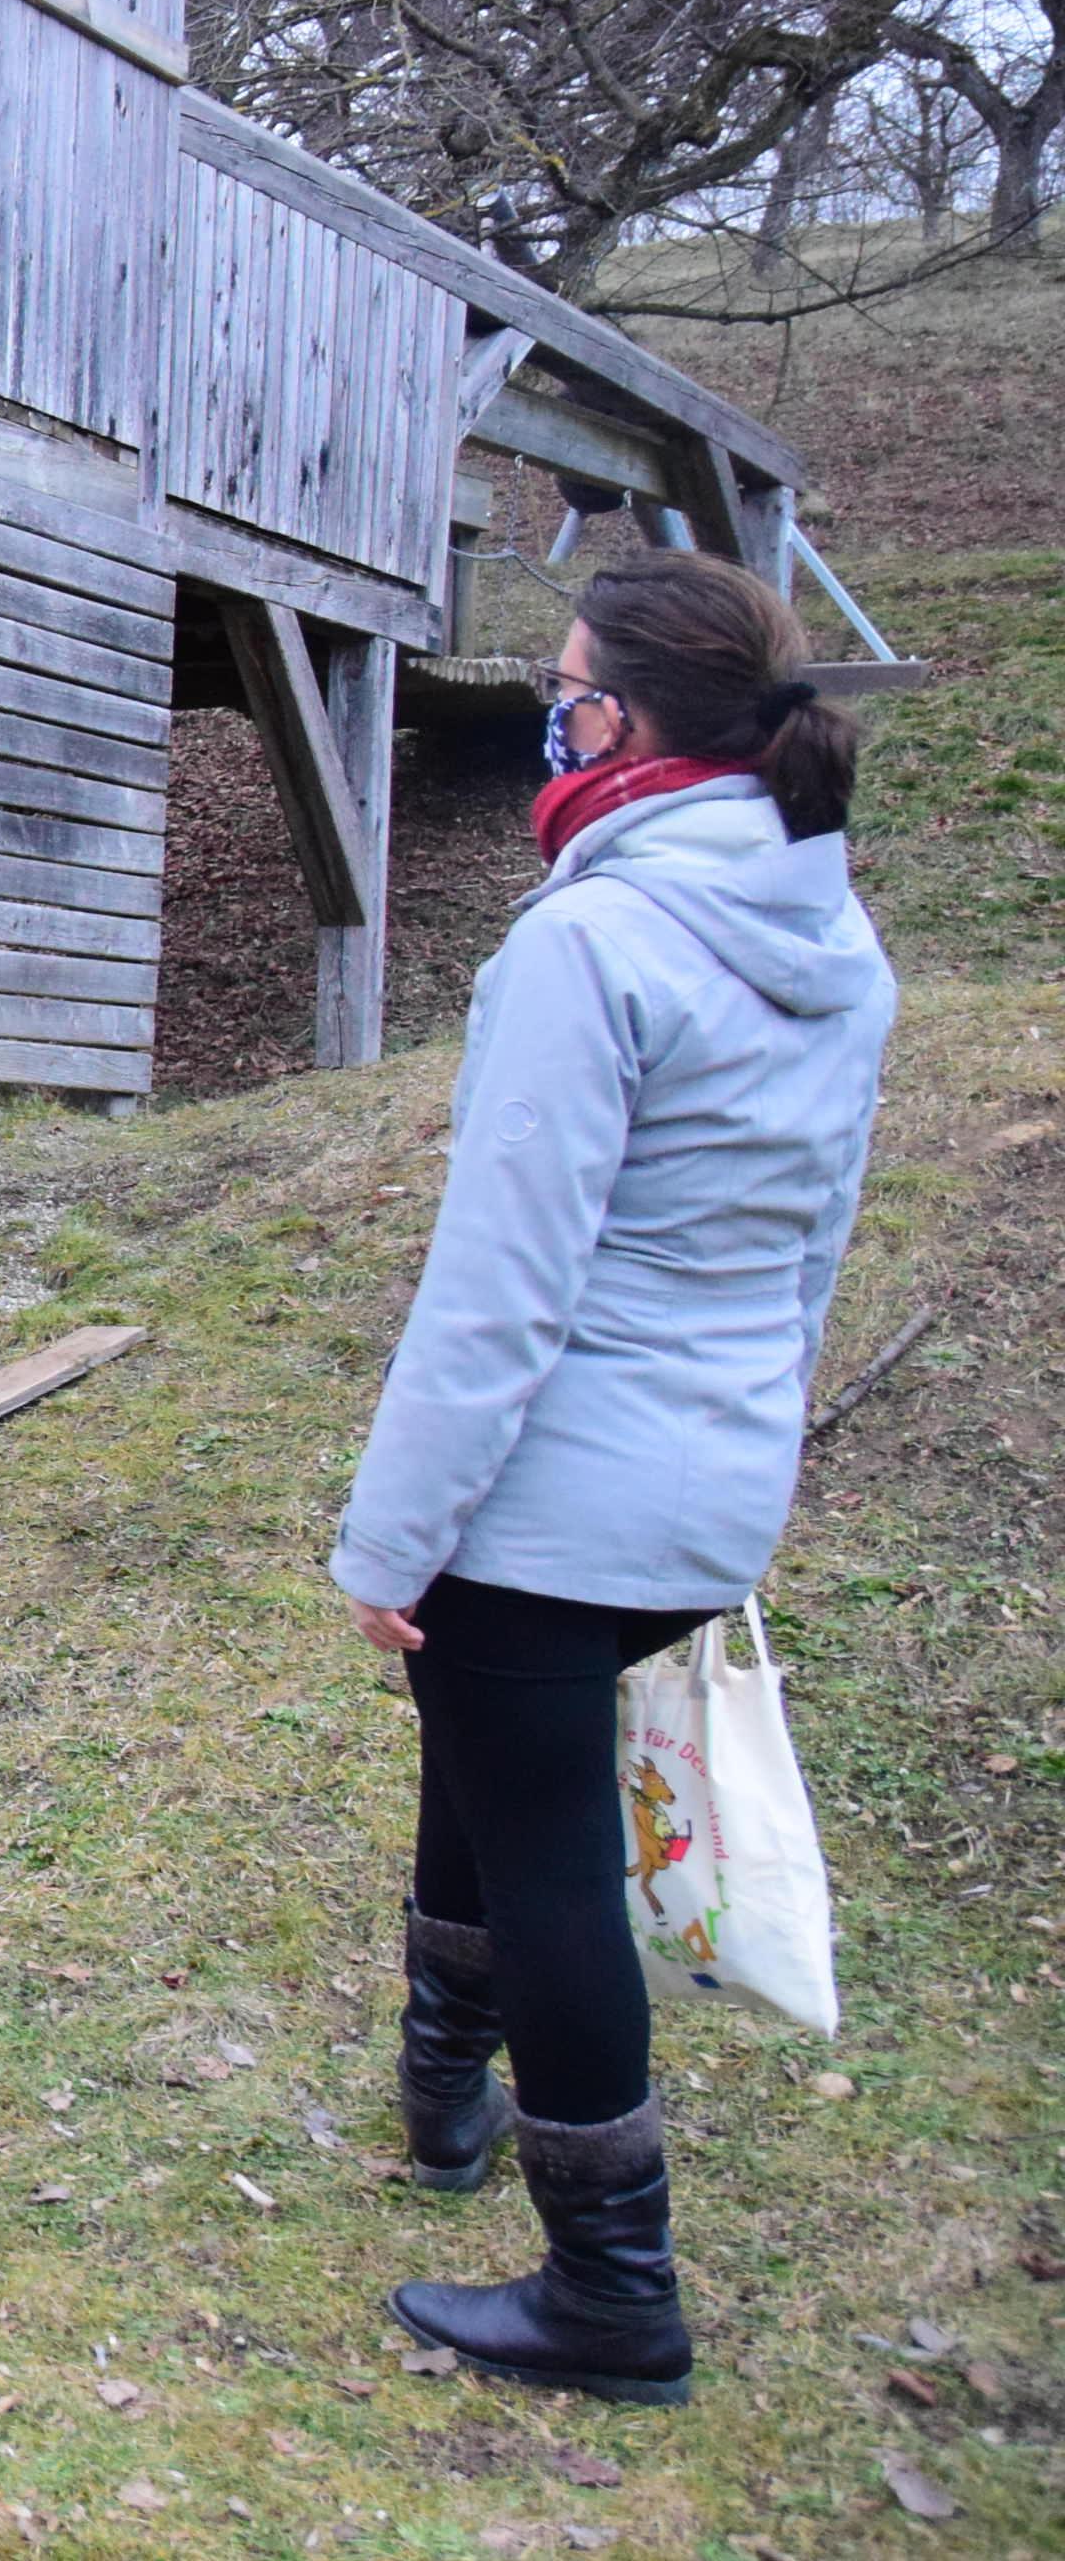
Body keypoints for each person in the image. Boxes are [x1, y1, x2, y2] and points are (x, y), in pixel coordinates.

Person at [328, 554, 890, 2408]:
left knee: (555, 1863)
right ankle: (440, 2098)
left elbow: (498, 1286)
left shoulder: (590, 942)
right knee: (490, 1764)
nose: (546, 717)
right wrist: (753, 1459)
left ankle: (609, 2292)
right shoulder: (833, 937)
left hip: (559, 1489)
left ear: (624, 722)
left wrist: (389, 1536)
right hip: (700, 1481)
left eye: (564, 688)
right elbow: (809, 1252)